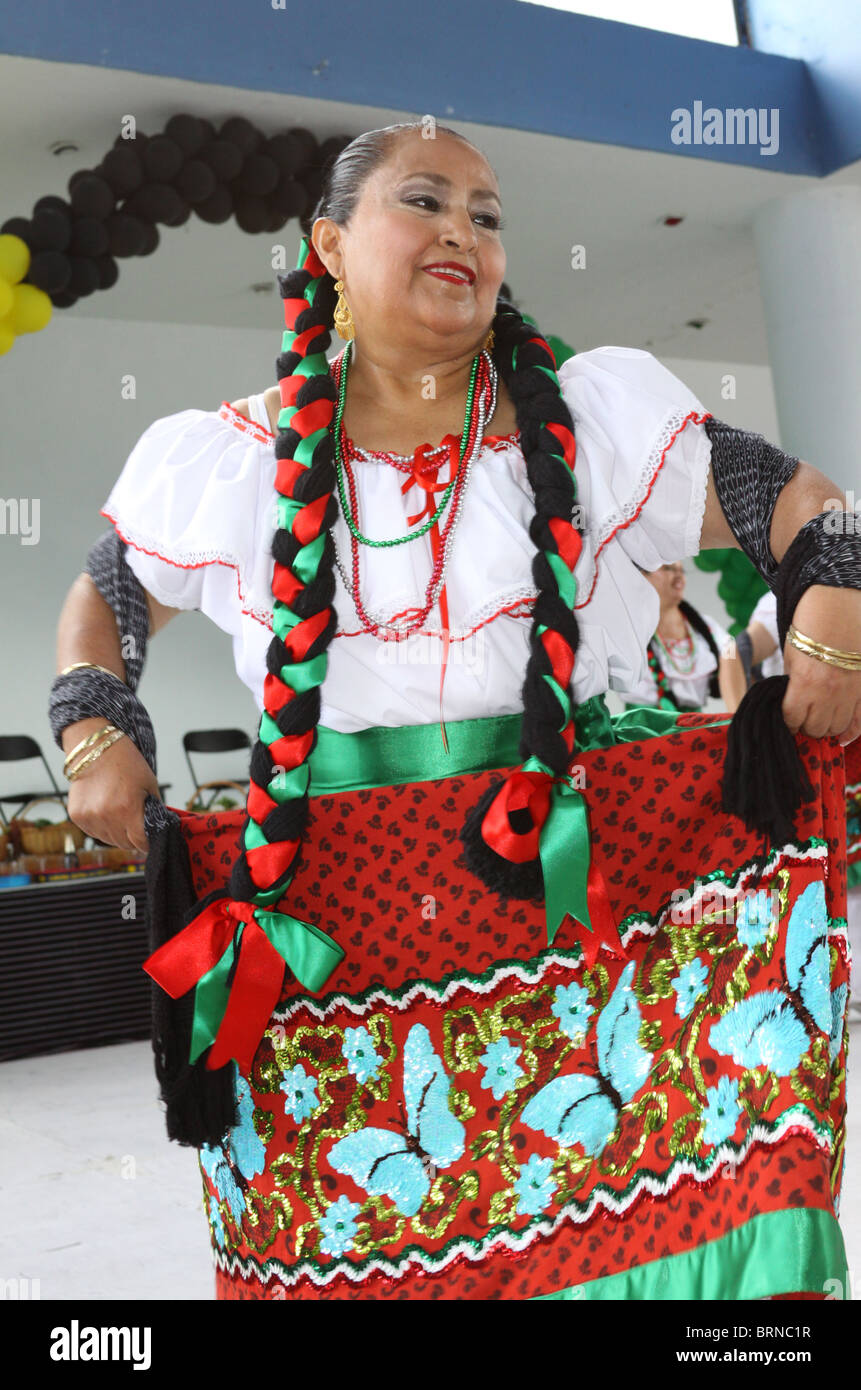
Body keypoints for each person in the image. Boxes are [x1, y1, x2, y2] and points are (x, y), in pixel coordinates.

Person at [51, 122, 861, 1301]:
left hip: (595, 897)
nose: (461, 232)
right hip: (344, 928)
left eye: (485, 216)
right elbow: (111, 586)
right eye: (423, 202)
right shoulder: (234, 456)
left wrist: (831, 610)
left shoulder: (592, 415)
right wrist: (95, 722)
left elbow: (798, 500)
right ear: (329, 242)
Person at [619, 560, 733, 711]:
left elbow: (731, 647)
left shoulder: (705, 626)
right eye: (668, 569)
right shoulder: (626, 628)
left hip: (695, 727)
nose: (678, 575)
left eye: (682, 571)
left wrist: (730, 663)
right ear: (642, 576)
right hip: (641, 728)